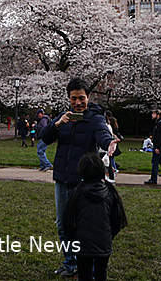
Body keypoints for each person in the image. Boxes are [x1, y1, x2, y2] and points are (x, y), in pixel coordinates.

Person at [40, 78, 113, 278]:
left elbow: (102, 134)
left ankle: (87, 265)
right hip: (62, 179)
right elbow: (44, 136)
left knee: (84, 226)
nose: (78, 102)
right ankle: (70, 263)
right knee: (63, 224)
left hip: (83, 182)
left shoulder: (95, 119)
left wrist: (109, 144)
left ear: (88, 97)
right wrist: (57, 124)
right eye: (74, 98)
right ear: (69, 99)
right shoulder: (65, 117)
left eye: (81, 98)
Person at [64, 153, 127, 281]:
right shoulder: (110, 192)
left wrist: (73, 239)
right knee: (101, 274)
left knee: (84, 275)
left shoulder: (77, 193)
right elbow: (117, 221)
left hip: (82, 245)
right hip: (103, 244)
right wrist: (109, 236)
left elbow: (68, 221)